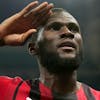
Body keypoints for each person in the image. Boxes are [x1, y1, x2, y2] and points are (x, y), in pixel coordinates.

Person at [0, 1, 100, 100]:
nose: (68, 32)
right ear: (33, 48)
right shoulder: (8, 90)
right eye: (55, 27)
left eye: (74, 29)